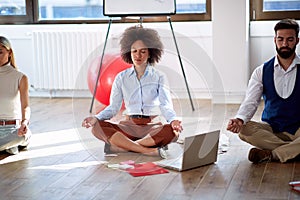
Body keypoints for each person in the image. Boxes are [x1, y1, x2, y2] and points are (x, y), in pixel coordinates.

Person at [82, 26, 183, 158]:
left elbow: (166, 105)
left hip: (152, 127)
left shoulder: (159, 76)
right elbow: (113, 107)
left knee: (172, 131)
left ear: (150, 53)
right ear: (128, 53)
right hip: (128, 127)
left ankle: (124, 147)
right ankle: (147, 150)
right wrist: (96, 118)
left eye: (143, 51)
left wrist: (173, 120)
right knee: (97, 127)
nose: (138, 55)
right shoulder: (121, 78)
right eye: (134, 51)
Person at [227, 18, 300, 163]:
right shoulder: (261, 71)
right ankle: (292, 151)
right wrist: (240, 119)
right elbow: (251, 101)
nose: (285, 44)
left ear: (297, 40)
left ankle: (272, 154)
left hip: (298, 129)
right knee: (244, 129)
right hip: (271, 129)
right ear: (274, 40)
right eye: (280, 39)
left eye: (290, 39)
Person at [0, 36, 31, 155]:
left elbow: (26, 106)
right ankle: (8, 146)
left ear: (9, 52)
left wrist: (24, 122)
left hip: (13, 129)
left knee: (23, 137)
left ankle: (10, 144)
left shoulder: (20, 77)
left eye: (0, 52)